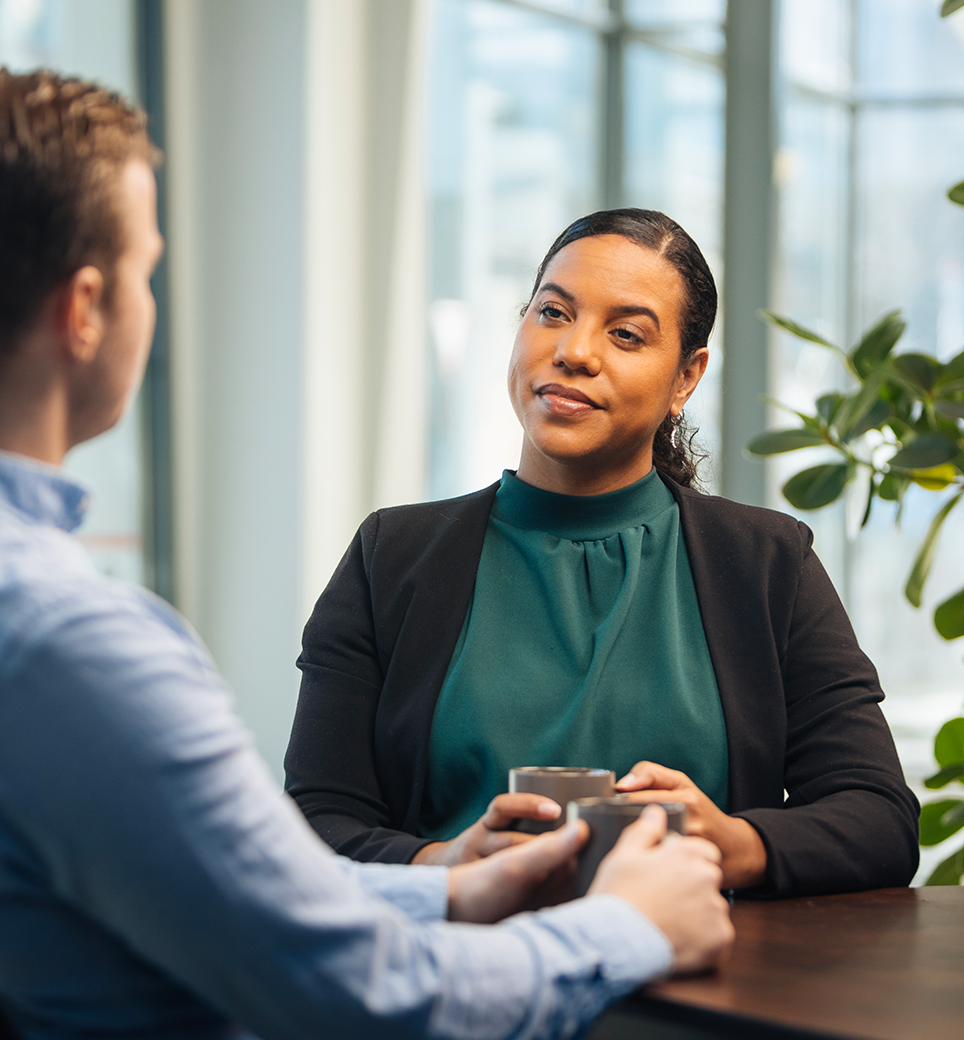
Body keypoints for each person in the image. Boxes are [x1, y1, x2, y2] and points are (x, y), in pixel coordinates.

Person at [0, 73, 733, 1040]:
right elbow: (373, 1001)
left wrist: (447, 886)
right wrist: (628, 922)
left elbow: (209, 886)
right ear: (87, 307)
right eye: (148, 269)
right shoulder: (70, 647)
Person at [285, 209, 919, 897]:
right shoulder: (392, 558)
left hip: (701, 982)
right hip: (456, 975)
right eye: (553, 313)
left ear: (686, 378)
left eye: (626, 334)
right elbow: (316, 820)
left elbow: (879, 817)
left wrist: (732, 844)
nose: (576, 351)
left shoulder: (769, 564)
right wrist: (441, 868)